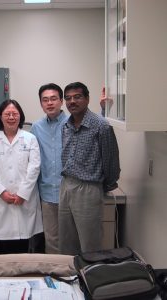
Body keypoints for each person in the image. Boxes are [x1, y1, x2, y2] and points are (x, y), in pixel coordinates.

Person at [59, 82, 120, 255]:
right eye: (68, 98)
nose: (72, 101)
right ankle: (70, 280)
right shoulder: (66, 125)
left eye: (77, 97)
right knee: (66, 242)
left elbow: (111, 162)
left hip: (88, 188)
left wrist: (103, 187)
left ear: (87, 99)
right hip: (66, 186)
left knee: (89, 245)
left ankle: (90, 279)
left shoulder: (102, 126)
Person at [0, 99, 43, 254]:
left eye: (15, 114)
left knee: (25, 247)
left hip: (25, 200)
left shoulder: (30, 138)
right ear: (0, 117)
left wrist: (23, 193)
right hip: (1, 202)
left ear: (20, 117)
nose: (11, 117)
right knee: (2, 250)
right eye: (7, 114)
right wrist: (2, 193)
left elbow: (34, 168)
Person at [31, 83, 67, 254]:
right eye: (45, 100)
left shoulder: (73, 123)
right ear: (41, 103)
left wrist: (106, 109)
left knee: (71, 238)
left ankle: (74, 276)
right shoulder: (36, 128)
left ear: (61, 101)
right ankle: (55, 276)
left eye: (53, 99)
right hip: (47, 193)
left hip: (70, 193)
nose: (50, 103)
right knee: (51, 238)